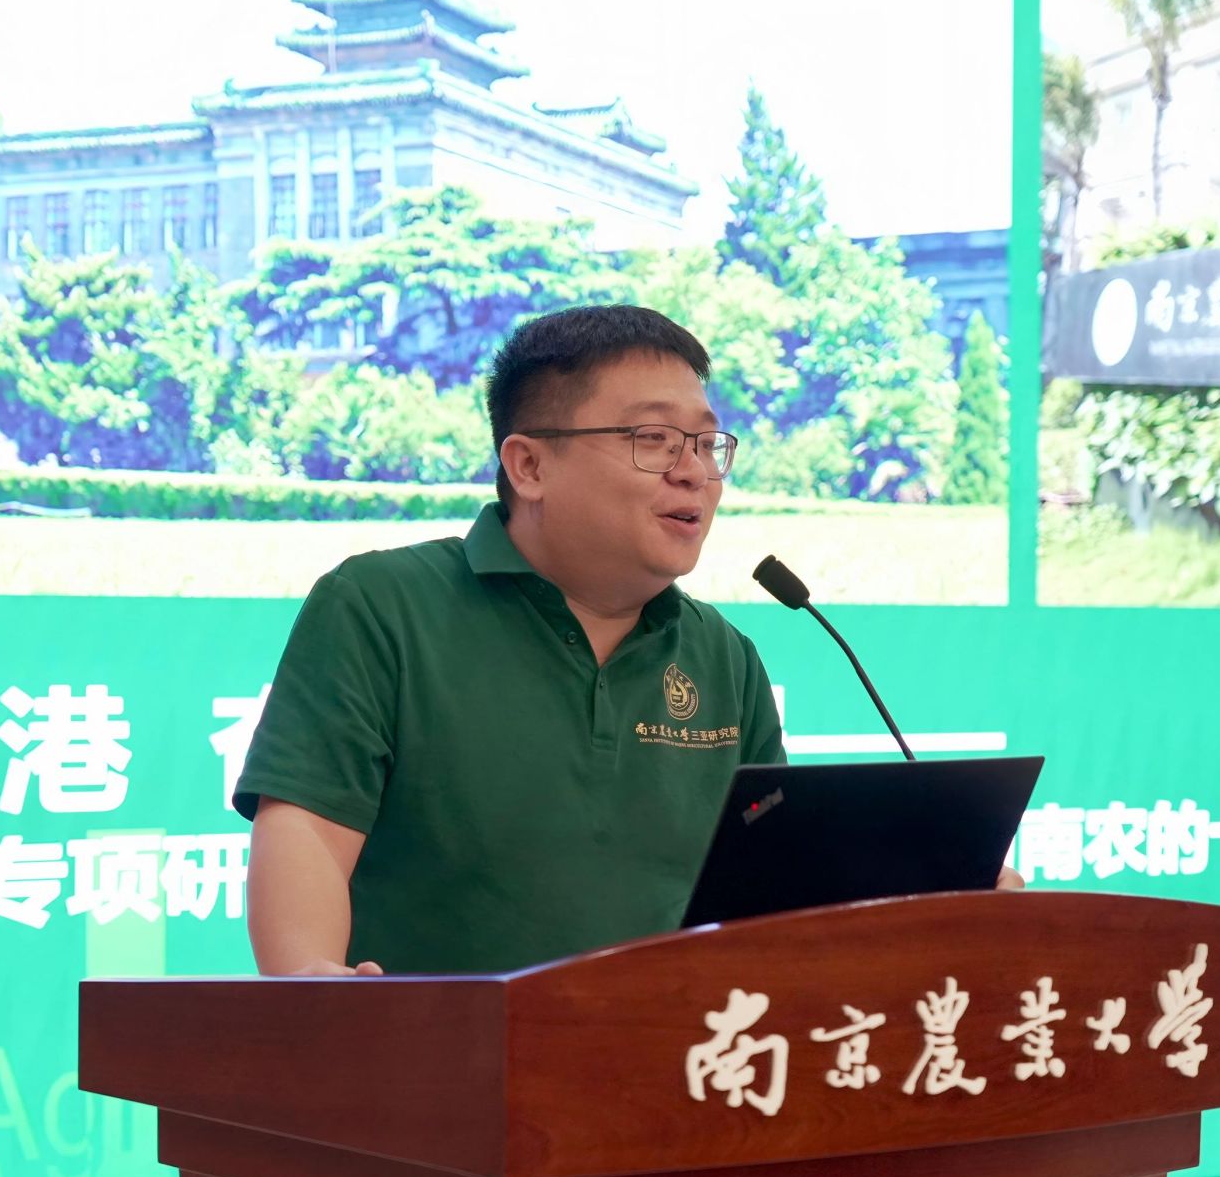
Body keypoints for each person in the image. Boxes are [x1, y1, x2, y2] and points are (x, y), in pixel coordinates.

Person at [234, 304, 1010, 977]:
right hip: (439, 1075)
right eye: (654, 438)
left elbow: (766, 897)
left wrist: (932, 889)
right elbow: (307, 830)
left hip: (672, 1073)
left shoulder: (723, 656)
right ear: (529, 465)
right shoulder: (382, 607)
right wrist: (312, 980)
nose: (694, 472)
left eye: (707, 443)